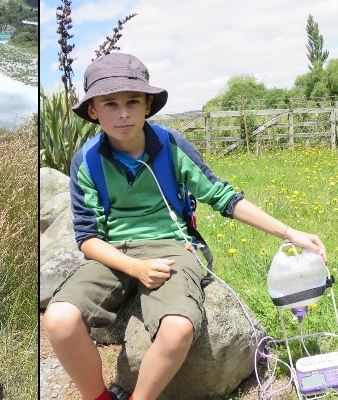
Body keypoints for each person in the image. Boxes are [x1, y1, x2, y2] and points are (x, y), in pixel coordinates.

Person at [42, 52, 327, 400]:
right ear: (93, 111)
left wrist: (290, 232)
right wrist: (135, 267)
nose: (122, 113)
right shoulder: (86, 161)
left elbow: (224, 198)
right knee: (58, 319)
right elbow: (87, 238)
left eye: (132, 101)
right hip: (112, 255)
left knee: (177, 328)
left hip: (173, 249)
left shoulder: (171, 146)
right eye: (110, 103)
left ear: (147, 105)